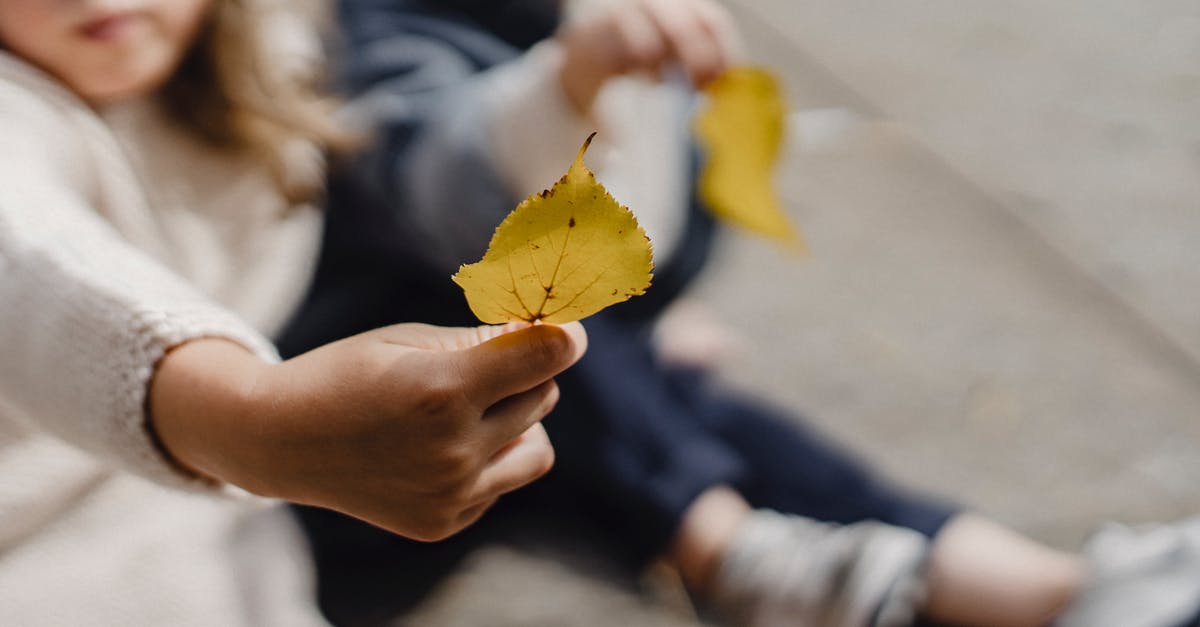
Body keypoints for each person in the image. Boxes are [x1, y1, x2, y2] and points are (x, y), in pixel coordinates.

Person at [278, 0, 1200, 626]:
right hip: (301, 503)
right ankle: (728, 550)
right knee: (522, 322)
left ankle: (1051, 591)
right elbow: (425, 171)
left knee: (641, 378)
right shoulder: (368, 33)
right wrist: (570, 89)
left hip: (469, 460)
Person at [0, 1, 587, 625]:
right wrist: (248, 415)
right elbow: (30, 259)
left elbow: (410, 156)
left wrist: (577, 86)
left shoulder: (274, 50)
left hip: (227, 542)